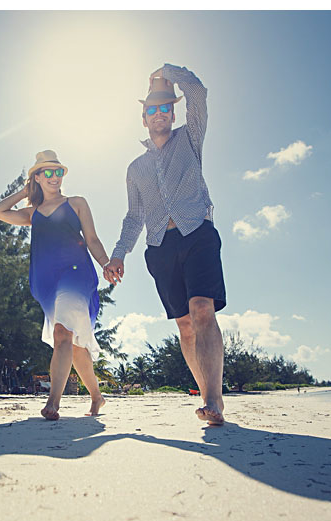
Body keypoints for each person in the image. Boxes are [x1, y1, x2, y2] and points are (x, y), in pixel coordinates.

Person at [103, 64, 227, 427]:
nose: (159, 114)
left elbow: (198, 92)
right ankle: (206, 395)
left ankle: (214, 400)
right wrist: (118, 254)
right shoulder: (135, 168)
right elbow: (134, 216)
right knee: (184, 325)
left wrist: (169, 72)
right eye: (152, 110)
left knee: (202, 309)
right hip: (160, 247)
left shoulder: (191, 138)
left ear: (173, 114)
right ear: (144, 119)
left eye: (165, 108)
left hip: (197, 233)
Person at [0, 150, 111, 420]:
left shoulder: (76, 203)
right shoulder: (32, 213)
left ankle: (53, 402)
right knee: (74, 344)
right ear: (37, 177)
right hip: (48, 282)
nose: (54, 176)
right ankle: (97, 396)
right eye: (47, 172)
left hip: (76, 274)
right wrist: (25, 192)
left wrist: (105, 263)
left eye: (58, 172)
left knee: (61, 332)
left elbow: (91, 239)